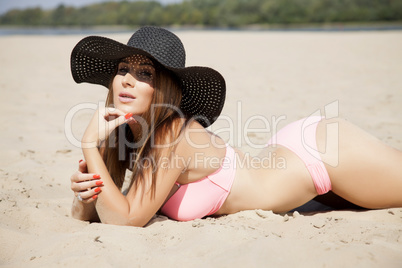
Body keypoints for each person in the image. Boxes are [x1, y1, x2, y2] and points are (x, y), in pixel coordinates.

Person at [69, 26, 402, 227]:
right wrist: (86, 193)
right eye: (123, 68)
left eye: (145, 74)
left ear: (165, 89)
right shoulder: (128, 137)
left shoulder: (174, 134)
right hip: (287, 157)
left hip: (324, 154)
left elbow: (126, 220)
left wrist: (88, 145)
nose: (127, 79)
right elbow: (100, 213)